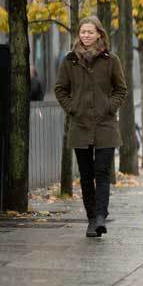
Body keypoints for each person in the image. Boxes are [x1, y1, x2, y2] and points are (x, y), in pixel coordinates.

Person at [54, 16, 127, 238]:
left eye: (89, 32)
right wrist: (73, 108)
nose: (85, 35)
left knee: (102, 173)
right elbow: (60, 89)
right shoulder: (70, 61)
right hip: (80, 125)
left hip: (105, 126)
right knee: (86, 176)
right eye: (82, 32)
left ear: (99, 34)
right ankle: (91, 220)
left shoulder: (110, 60)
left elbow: (120, 89)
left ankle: (101, 217)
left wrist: (109, 107)